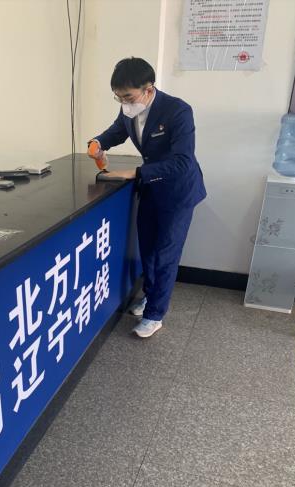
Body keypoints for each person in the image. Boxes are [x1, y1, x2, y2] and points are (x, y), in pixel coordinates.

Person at [88, 57, 206, 338]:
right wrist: (98, 142)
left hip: (178, 191)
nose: (124, 103)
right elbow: (117, 131)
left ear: (148, 89)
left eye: (128, 97)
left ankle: (155, 314)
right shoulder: (129, 108)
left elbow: (183, 162)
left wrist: (135, 172)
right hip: (152, 188)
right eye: (118, 97)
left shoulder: (178, 110)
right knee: (149, 249)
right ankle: (151, 295)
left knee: (166, 254)